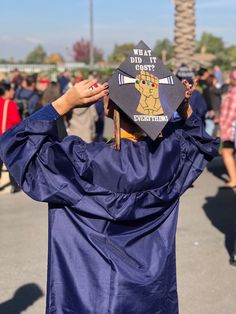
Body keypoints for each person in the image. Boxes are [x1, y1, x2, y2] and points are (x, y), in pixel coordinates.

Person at [0, 72, 219, 313]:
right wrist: (183, 108)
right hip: (150, 297)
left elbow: (16, 144)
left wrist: (64, 103)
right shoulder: (168, 158)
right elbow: (202, 143)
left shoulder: (80, 160)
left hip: (89, 297)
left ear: (109, 108)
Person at [0, 83, 22, 193]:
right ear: (7, 92)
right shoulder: (11, 104)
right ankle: (15, 185)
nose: (13, 92)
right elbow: (16, 122)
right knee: (10, 161)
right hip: (6, 137)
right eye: (12, 90)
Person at [219, 70, 236, 189]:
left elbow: (231, 113)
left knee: (226, 152)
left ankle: (234, 179)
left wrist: (224, 128)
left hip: (231, 128)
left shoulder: (233, 92)